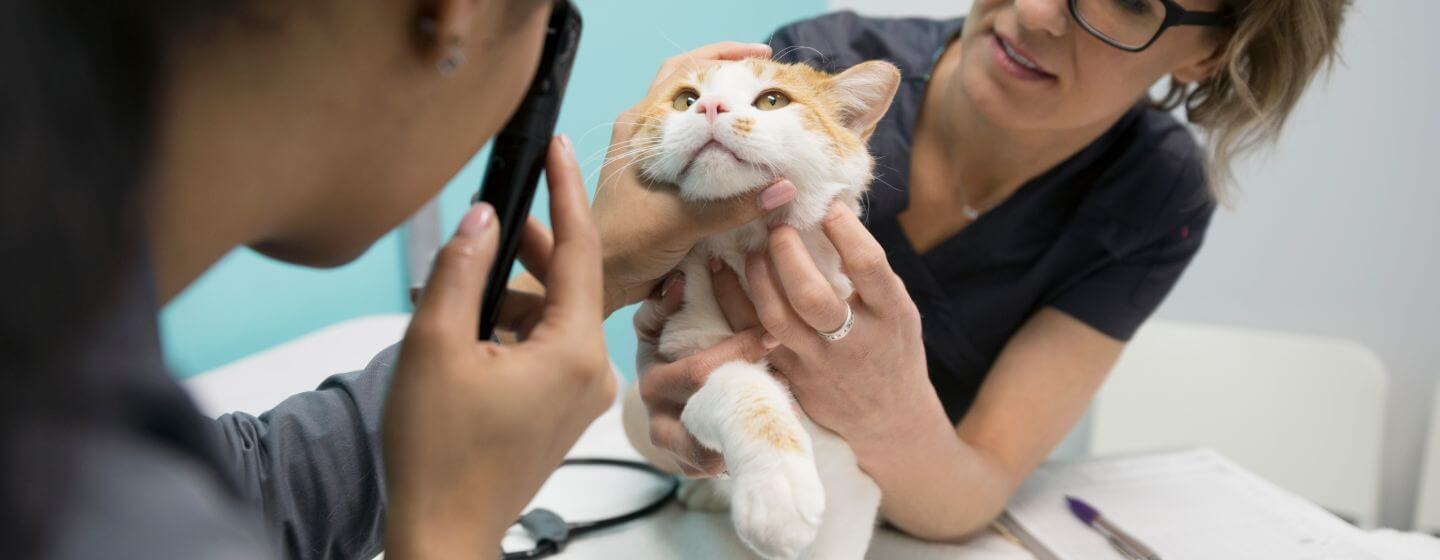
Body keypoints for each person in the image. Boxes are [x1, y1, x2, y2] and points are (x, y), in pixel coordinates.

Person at [0, 1, 792, 558]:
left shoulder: (65, 367)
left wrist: (604, 273)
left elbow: (247, 492)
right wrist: (448, 534)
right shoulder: (73, 497)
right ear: (455, 14)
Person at [606, 0, 1353, 541]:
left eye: (1125, 1)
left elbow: (973, 491)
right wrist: (685, 412)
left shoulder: (1152, 194)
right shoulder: (823, 62)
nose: (1035, 13)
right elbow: (660, 387)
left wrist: (887, 407)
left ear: (1206, 53)